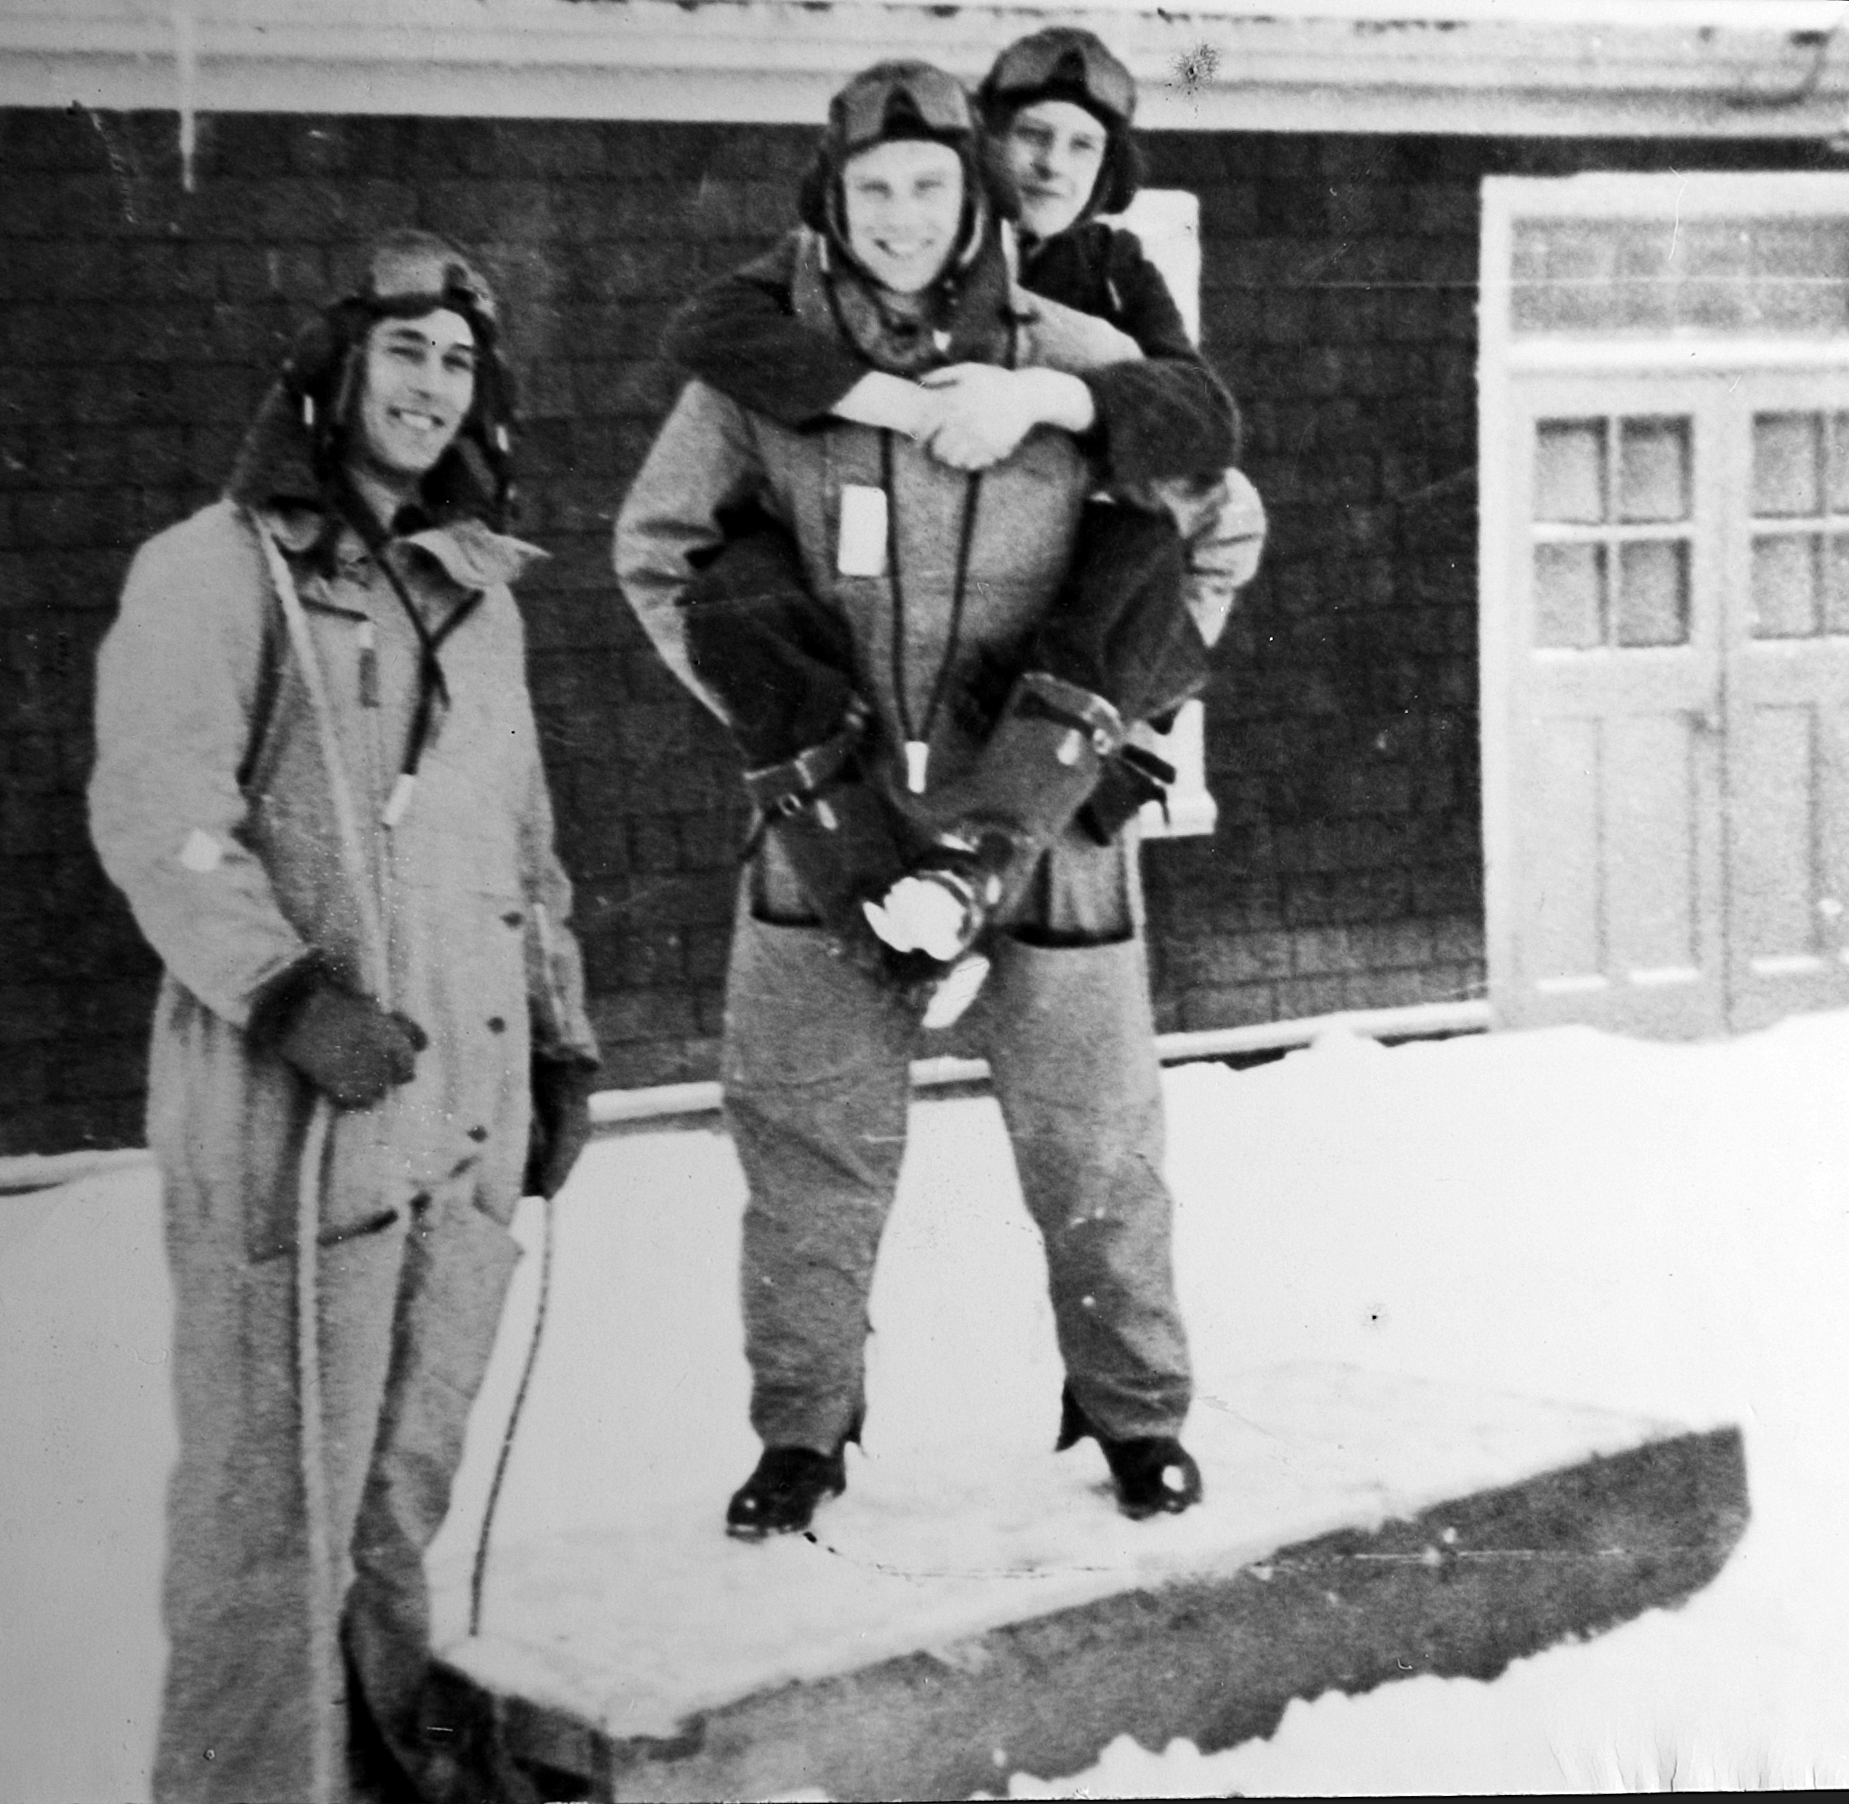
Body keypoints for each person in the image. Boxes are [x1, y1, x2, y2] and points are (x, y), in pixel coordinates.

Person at [615, 61, 1202, 1540]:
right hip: (836, 824)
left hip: (1044, 829)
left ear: (974, 194)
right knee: (807, 1150)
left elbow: (1214, 527)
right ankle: (802, 1434)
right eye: (870, 188)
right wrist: (777, 721)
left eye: (929, 184)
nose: (899, 215)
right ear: (832, 199)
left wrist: (1122, 722)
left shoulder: (1074, 356)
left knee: (1096, 1147)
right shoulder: (765, 378)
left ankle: (1137, 1415)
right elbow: (660, 548)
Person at [89, 230, 598, 1804]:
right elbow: (159, 814)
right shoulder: (215, 568)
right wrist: (287, 993)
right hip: (294, 1110)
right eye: (404, 352)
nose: (431, 388)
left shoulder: (478, 597)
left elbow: (523, 847)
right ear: (333, 368)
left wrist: (558, 1038)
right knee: (270, 1521)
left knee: (398, 1492)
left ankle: (383, 1770)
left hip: (459, 1108)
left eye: (459, 363)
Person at [660, 26, 1265, 982]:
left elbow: (1203, 431)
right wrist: (886, 401)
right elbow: (714, 328)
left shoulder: (1108, 280)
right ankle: (891, 920)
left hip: (1061, 687)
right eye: (1032, 135)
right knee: (746, 579)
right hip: (878, 716)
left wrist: (1045, 397)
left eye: (1082, 144)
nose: (1051, 165)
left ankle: (986, 848)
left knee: (1140, 546)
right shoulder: (837, 275)